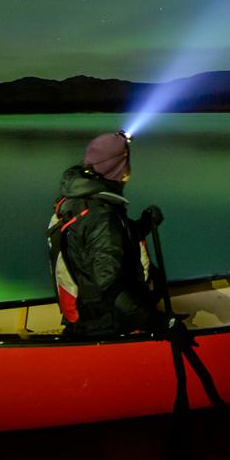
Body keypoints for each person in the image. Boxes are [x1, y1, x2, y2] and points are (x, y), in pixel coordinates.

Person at [47, 130, 168, 337]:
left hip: (88, 318)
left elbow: (99, 243)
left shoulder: (79, 201)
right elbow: (111, 288)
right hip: (108, 327)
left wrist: (144, 225)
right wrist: (161, 325)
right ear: (121, 169)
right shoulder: (103, 217)